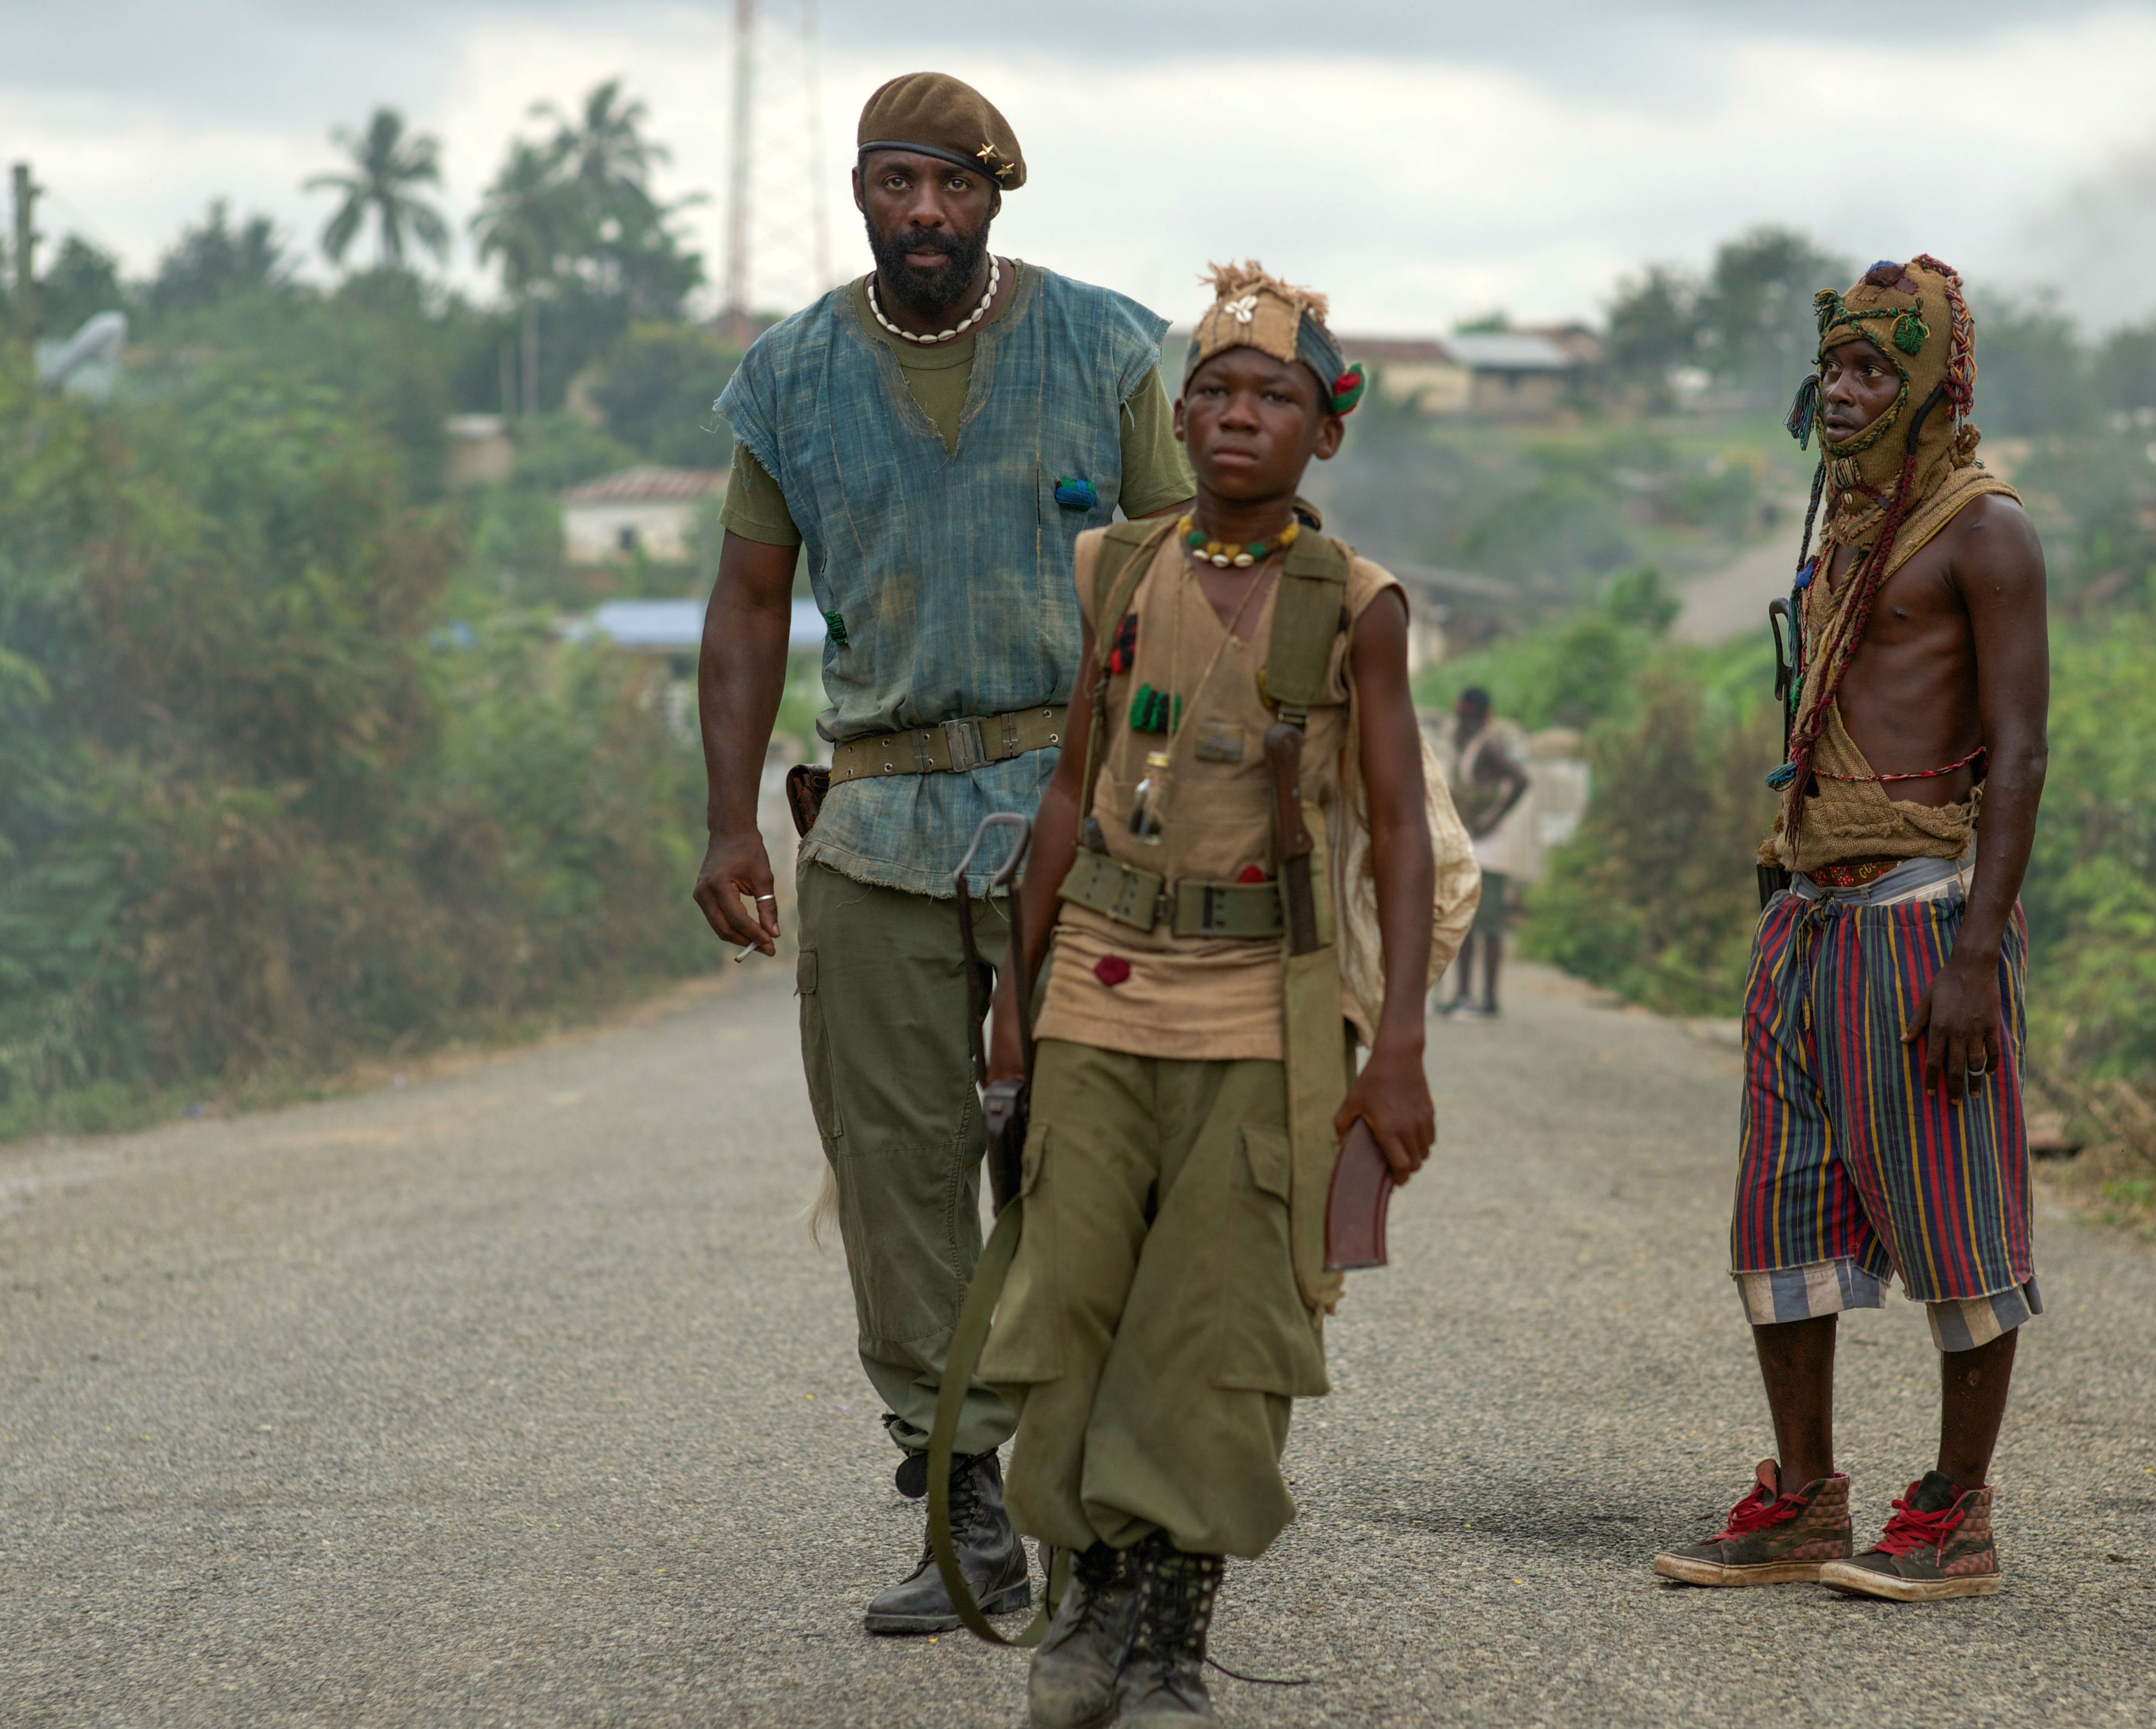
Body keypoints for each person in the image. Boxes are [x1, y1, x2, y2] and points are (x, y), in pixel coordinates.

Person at [691, 71, 1194, 1634]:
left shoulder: (1104, 344)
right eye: (896, 184)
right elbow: (749, 608)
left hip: (1083, 812)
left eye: (952, 188)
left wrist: (1174, 799)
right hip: (881, 824)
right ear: (858, 192)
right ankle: (958, 1507)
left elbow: (1187, 581)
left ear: (995, 198)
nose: (923, 213)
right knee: (900, 1173)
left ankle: (1102, 1518)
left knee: (1090, 1164)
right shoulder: (784, 379)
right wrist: (726, 823)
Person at [977, 264, 1440, 1727]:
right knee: (1072, 1304)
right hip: (1099, 994)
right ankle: (1088, 1609)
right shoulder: (1115, 567)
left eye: (1275, 397)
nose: (1239, 416)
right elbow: (1064, 793)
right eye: (1215, 391)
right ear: (1178, 414)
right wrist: (1013, 995)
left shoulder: (1353, 606)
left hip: (1261, 1010)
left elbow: (1404, 826)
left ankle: (1173, 1638)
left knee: (1218, 1329)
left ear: (1326, 430)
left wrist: (1406, 1041)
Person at [1653, 256, 2048, 1602]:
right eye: (1833, 367)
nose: (1844, 391)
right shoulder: (1850, 530)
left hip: (1923, 924)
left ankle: (1956, 1512)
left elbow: (2023, 750)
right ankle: (1803, 1499)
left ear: (1933, 385)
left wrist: (1977, 959)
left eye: (1875, 370)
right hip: (1810, 919)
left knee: (1956, 1217)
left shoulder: (1982, 534)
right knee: (1781, 1214)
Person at [1441, 687, 1528, 1017]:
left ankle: (1489, 1000)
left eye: (1463, 717)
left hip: (1490, 853)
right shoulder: (1468, 747)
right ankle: (1464, 995)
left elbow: (1521, 779)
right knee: (1464, 925)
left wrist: (1492, 820)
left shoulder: (1488, 746)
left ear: (1474, 717)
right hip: (1472, 847)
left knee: (1489, 927)